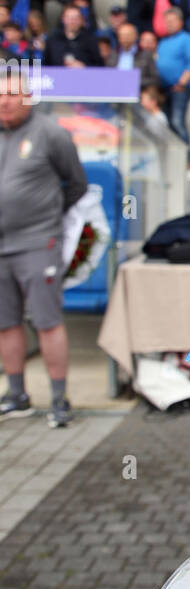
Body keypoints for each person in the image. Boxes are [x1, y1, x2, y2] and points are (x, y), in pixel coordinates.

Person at [0, 66, 88, 426]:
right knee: (6, 325)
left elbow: (76, 184)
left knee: (48, 322)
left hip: (38, 243)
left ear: (28, 99)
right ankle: (16, 394)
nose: (4, 103)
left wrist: (47, 216)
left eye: (10, 96)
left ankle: (58, 399)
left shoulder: (51, 133)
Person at [155, 8, 190, 153]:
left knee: (177, 122)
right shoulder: (163, 42)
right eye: (167, 22)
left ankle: (187, 157)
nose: (169, 24)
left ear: (180, 22)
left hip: (179, 89)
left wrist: (181, 83)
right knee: (167, 125)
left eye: (172, 21)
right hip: (163, 89)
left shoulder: (187, 39)